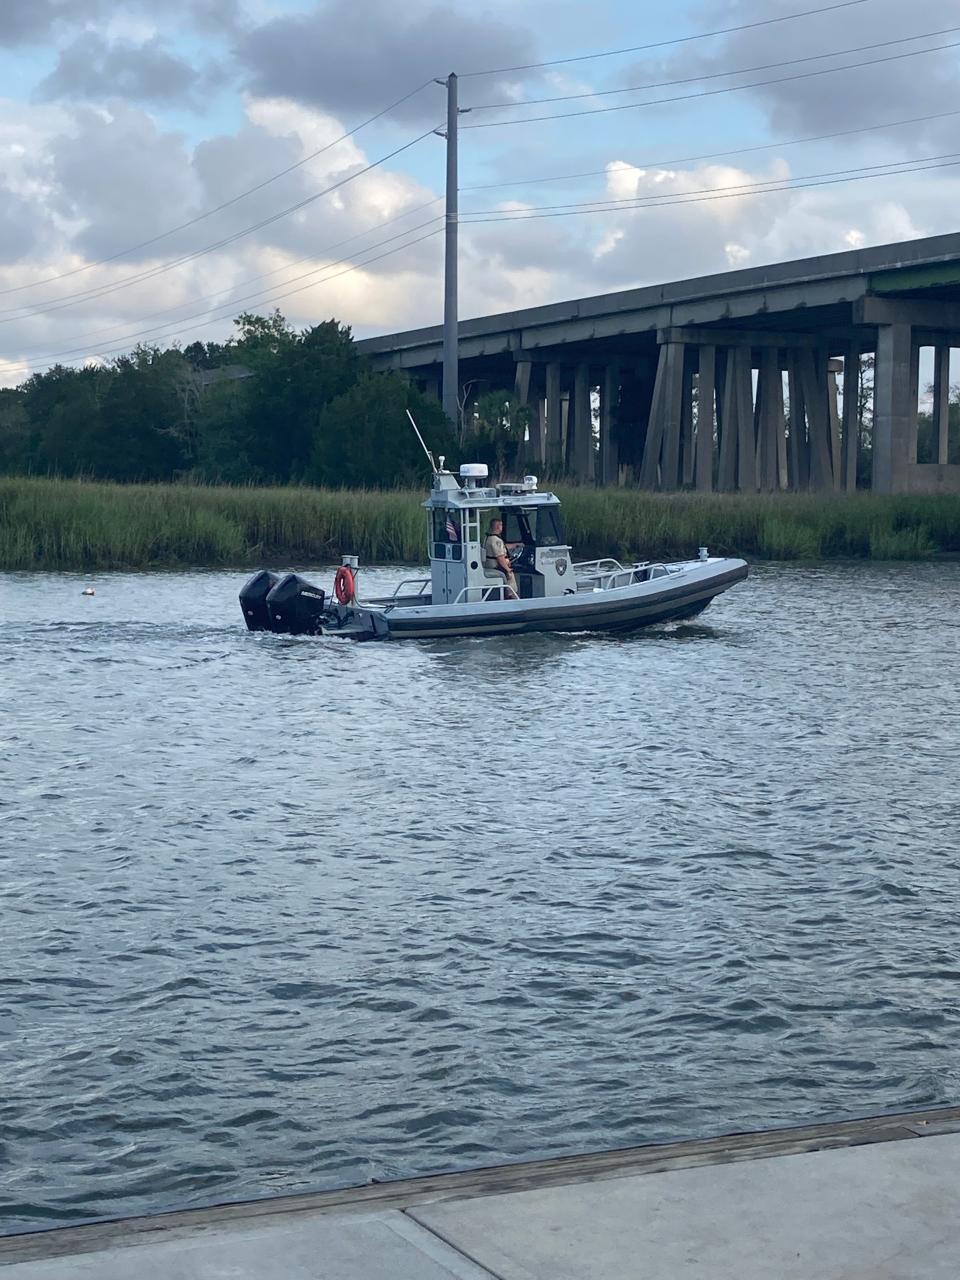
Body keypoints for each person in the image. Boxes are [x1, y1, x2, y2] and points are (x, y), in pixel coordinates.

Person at [482, 517, 520, 599]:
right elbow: (500, 558)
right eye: (501, 525)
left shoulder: (488, 538)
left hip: (488, 565)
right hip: (495, 566)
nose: (502, 527)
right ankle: (512, 596)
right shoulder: (496, 540)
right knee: (510, 575)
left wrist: (516, 545)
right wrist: (508, 569)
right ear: (498, 527)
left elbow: (503, 547)